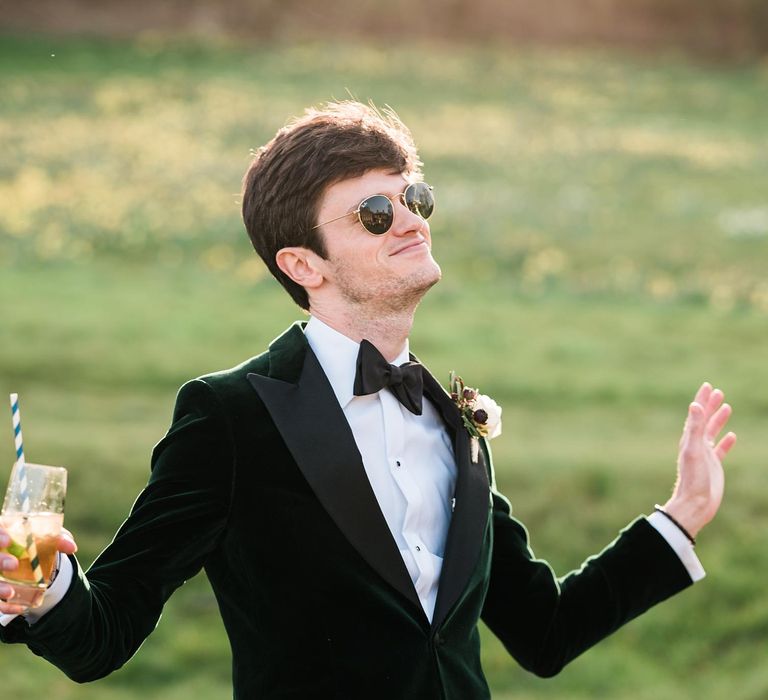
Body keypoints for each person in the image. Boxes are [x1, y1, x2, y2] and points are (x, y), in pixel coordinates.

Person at [0, 101, 736, 699]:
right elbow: (104, 636)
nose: (412, 219)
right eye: (375, 213)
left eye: (415, 197)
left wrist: (683, 513)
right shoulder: (230, 418)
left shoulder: (455, 420)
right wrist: (37, 584)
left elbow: (544, 632)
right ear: (302, 263)